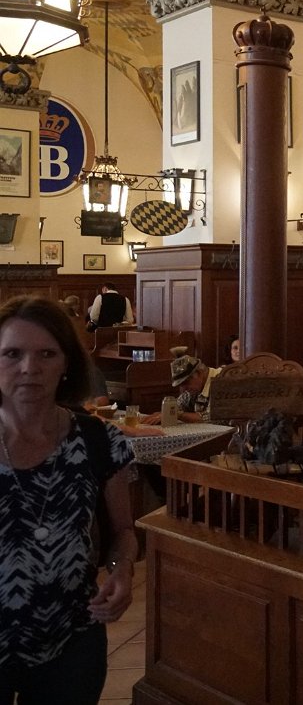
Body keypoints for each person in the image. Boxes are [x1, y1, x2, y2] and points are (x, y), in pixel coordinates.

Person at [0, 296, 137, 703]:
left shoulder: (98, 439)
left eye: (47, 354)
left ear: (66, 364)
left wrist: (122, 571)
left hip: (72, 638)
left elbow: (123, 531)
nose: (30, 367)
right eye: (12, 353)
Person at [143, 348, 218, 425]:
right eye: (181, 385)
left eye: (185, 382)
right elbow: (176, 407)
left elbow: (212, 418)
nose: (184, 389)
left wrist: (177, 414)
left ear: (199, 373)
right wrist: (162, 413)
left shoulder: (220, 381)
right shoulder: (194, 387)